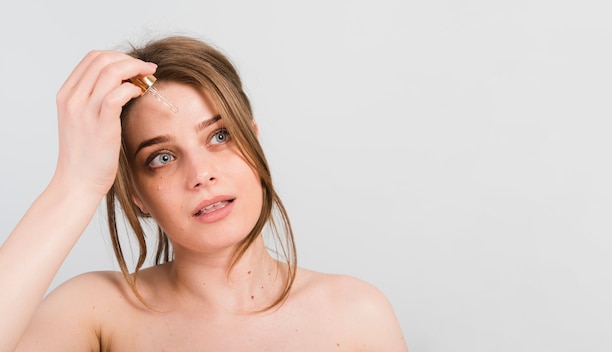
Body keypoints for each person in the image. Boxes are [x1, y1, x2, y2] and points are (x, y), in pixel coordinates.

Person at [0, 35, 408, 351]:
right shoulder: (96, 312)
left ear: (254, 142)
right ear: (136, 194)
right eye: (161, 157)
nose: (201, 174)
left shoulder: (357, 315)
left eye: (220, 135)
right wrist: (76, 184)